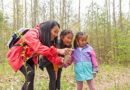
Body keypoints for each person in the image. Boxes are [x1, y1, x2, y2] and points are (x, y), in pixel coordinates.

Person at [7, 20, 71, 90]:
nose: (56, 35)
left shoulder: (44, 40)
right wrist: (58, 50)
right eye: (55, 31)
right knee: (30, 74)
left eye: (57, 33)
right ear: (48, 29)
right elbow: (38, 47)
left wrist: (61, 60)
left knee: (30, 77)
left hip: (29, 58)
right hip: (18, 56)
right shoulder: (32, 33)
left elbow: (50, 55)